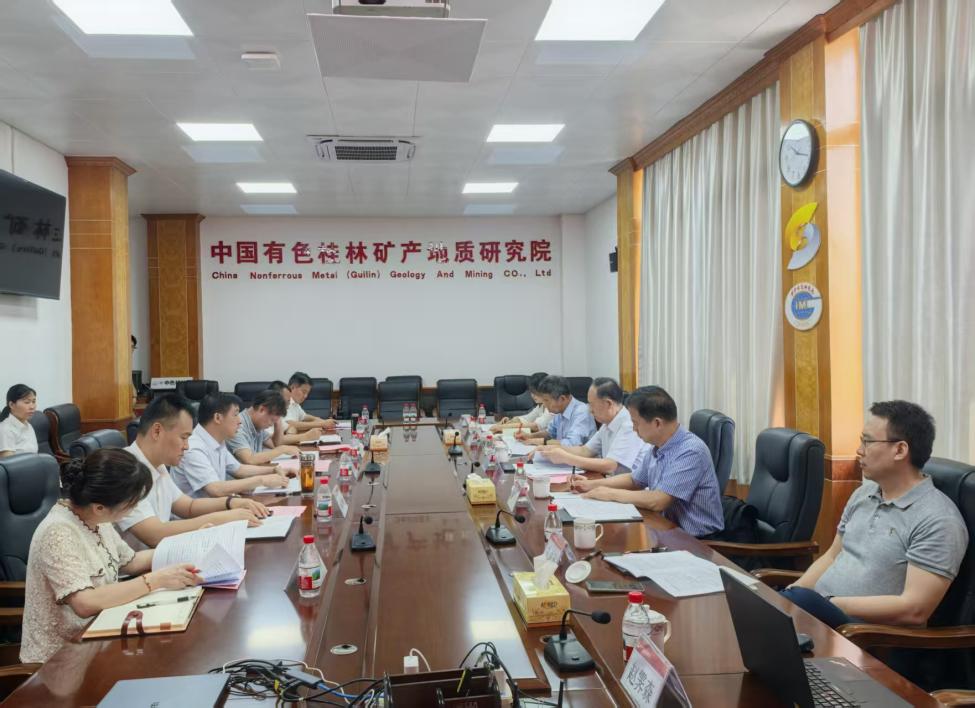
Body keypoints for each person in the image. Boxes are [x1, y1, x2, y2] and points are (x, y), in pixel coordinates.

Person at [781, 400, 968, 629]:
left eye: (867, 441)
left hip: (864, 634)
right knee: (768, 602)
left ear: (900, 450)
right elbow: (832, 556)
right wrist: (791, 595)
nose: (859, 450)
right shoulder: (864, 493)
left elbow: (914, 609)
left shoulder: (938, 519)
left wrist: (827, 603)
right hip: (820, 616)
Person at [20, 449, 201, 663]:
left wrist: (186, 547)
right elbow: (85, 603)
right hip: (60, 657)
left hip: (102, 633)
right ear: (99, 508)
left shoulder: (95, 518)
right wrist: (155, 580)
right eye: (131, 504)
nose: (134, 508)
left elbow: (131, 562)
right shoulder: (58, 532)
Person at [116, 394, 269, 549]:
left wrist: (231, 503)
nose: (187, 446)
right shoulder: (125, 470)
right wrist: (225, 518)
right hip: (143, 561)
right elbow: (154, 534)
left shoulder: (157, 464)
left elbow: (188, 506)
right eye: (183, 437)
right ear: (157, 431)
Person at [570, 386, 723, 538]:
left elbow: (659, 500)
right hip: (664, 528)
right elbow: (634, 480)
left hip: (696, 540)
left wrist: (609, 493)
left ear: (657, 423)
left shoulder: (690, 451)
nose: (634, 429)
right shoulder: (658, 445)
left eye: (636, 423)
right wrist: (591, 485)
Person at [171, 393, 291, 498]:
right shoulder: (193, 448)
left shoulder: (217, 440)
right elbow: (215, 488)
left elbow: (239, 469)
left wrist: (273, 470)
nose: (240, 421)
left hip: (216, 509)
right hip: (199, 515)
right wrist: (261, 480)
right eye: (235, 414)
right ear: (218, 418)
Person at [537, 378, 647, 475]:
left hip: (630, 488)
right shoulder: (607, 423)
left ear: (608, 404)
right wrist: (553, 449)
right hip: (612, 481)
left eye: (591, 404)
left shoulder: (629, 425)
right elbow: (585, 451)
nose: (589, 410)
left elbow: (610, 465)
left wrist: (566, 458)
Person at [226, 389, 301, 465]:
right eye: (272, 420)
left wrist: (277, 422)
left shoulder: (258, 425)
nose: (271, 424)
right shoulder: (238, 426)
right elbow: (249, 459)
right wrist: (282, 450)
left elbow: (275, 445)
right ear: (262, 410)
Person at [516, 375, 595, 447]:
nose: (544, 404)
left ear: (562, 399)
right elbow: (549, 433)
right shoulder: (560, 411)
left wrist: (541, 442)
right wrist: (530, 436)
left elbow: (572, 444)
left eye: (546, 400)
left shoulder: (581, 412)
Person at [0, 384, 38, 458]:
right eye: (27, 402)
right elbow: (8, 463)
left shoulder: (28, 425)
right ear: (11, 405)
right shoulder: (5, 430)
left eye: (33, 401)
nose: (32, 407)